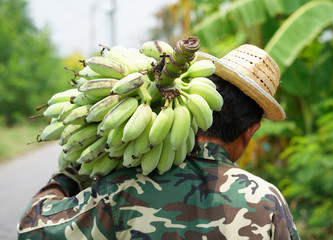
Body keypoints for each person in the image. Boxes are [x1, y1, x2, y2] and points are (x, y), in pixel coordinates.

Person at [17, 44, 300, 239]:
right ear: (251, 131)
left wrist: (72, 174)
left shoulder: (123, 187)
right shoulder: (266, 201)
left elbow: (32, 228)